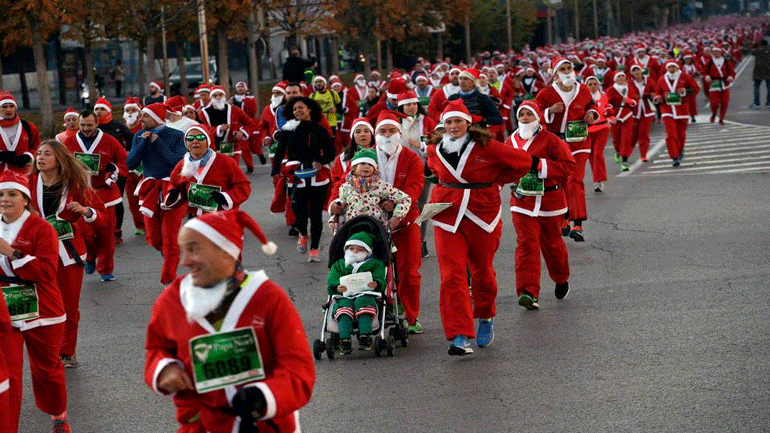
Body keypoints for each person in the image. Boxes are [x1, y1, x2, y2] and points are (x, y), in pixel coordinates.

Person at [144, 210, 314, 433]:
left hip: (265, 426)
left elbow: (298, 370)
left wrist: (261, 397)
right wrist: (164, 368)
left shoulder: (268, 298)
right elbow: (156, 348)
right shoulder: (173, 300)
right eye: (182, 250)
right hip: (201, 426)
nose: (184, 261)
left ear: (225, 250)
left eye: (193, 249)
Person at [425, 99, 534, 355]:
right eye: (449, 122)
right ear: (443, 124)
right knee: (452, 275)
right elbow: (434, 170)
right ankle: (460, 334)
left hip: (482, 214)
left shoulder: (488, 146)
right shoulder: (434, 148)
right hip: (446, 215)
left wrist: (495, 180)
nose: (453, 126)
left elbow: (522, 162)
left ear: (468, 122)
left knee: (482, 271)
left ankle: (485, 315)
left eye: (458, 121)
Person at [0, 170, 71, 433]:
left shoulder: (42, 229)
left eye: (12, 194)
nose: (5, 199)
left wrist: (11, 252)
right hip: (5, 309)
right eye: (1, 194)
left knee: (47, 371)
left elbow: (45, 272)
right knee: (9, 375)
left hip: (44, 307)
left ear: (26, 199)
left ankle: (58, 416)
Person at [30, 140, 105, 368]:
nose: (40, 158)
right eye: (38, 154)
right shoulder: (28, 182)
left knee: (68, 307)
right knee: (39, 304)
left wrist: (85, 211)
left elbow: (100, 216)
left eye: (47, 154)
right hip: (36, 253)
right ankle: (46, 348)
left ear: (59, 159)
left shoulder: (75, 184)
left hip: (68, 253)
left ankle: (67, 352)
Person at [506, 100, 576, 310]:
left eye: (529, 114)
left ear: (537, 117)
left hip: (549, 201)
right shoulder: (509, 142)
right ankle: (528, 292)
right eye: (521, 115)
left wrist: (539, 165)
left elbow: (568, 166)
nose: (525, 118)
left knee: (552, 245)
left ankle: (561, 277)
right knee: (526, 245)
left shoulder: (551, 141)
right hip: (522, 201)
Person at [536, 57, 598, 242]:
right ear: (555, 74)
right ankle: (564, 217)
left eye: (569, 68)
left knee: (575, 180)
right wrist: (549, 112)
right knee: (561, 181)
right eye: (562, 69)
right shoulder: (546, 94)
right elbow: (531, 114)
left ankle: (578, 223)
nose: (567, 71)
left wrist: (591, 114)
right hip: (556, 143)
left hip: (579, 141)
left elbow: (592, 105)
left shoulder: (583, 89)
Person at [62, 110, 127, 282]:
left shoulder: (109, 141)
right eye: (82, 125)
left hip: (106, 194)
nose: (85, 129)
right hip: (81, 195)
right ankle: (90, 256)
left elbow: (123, 161)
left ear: (97, 124)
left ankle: (105, 269)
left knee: (106, 235)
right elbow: (62, 165)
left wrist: (114, 169)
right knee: (85, 232)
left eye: (89, 125)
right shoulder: (69, 142)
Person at [127, 103, 188, 284]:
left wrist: (157, 142)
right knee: (153, 237)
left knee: (170, 236)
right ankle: (171, 253)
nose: (141, 119)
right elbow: (131, 163)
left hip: (172, 188)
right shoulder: (139, 135)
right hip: (150, 188)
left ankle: (169, 277)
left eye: (145, 116)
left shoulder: (177, 135)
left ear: (157, 118)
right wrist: (143, 142)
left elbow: (177, 162)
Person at [271, 97, 335, 262]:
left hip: (317, 177)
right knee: (299, 214)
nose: (298, 111)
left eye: (301, 108)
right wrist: (275, 170)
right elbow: (279, 152)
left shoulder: (319, 130)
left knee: (315, 215)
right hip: (296, 176)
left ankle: (314, 249)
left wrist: (321, 161)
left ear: (310, 109)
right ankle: (303, 233)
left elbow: (330, 152)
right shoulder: (288, 130)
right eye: (295, 109)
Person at [166, 125, 251, 217]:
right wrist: (175, 195)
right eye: (190, 138)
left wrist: (226, 197)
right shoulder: (182, 165)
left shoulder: (226, 162)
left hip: (222, 216)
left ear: (207, 141)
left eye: (200, 137)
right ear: (186, 143)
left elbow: (244, 186)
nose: (195, 141)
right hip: (194, 217)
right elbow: (174, 185)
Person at [326, 231, 386, 354]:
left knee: (364, 304)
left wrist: (376, 283)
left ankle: (365, 336)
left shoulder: (375, 264)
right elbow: (332, 280)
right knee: (343, 309)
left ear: (367, 251)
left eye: (359, 249)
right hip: (345, 295)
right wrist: (337, 286)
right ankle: (345, 340)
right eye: (351, 248)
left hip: (367, 294)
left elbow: (381, 279)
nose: (355, 252)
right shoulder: (339, 265)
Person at [396, 91, 437, 257]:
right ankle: (401, 240)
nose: (411, 107)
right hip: (399, 170)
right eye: (408, 105)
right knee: (401, 206)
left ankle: (420, 241)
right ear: (401, 107)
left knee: (420, 207)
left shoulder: (427, 121)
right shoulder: (396, 122)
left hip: (422, 170)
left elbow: (438, 142)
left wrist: (422, 145)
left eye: (413, 104)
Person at [335, 148, 411, 230]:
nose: (366, 166)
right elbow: (340, 209)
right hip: (352, 228)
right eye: (363, 163)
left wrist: (396, 217)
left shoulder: (381, 186)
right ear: (354, 168)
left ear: (375, 169)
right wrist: (333, 220)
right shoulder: (345, 188)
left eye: (370, 165)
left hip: (376, 230)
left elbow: (405, 199)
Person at [94, 97, 134, 244]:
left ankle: (117, 229)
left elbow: (132, 139)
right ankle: (102, 228)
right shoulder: (92, 128)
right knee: (98, 200)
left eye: (102, 109)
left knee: (116, 200)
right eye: (96, 109)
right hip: (98, 171)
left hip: (117, 170)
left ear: (109, 111)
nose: (99, 112)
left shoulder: (118, 126)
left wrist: (128, 152)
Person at [198, 86, 256, 171]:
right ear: (211, 97)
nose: (218, 98)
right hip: (211, 147)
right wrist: (218, 129)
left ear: (224, 96)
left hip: (229, 144)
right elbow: (202, 129)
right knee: (216, 175)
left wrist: (242, 132)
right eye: (215, 95)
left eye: (220, 95)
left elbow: (250, 123)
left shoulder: (234, 110)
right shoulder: (204, 113)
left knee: (230, 171)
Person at [654, 61, 699, 167]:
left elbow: (696, 89)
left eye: (673, 66)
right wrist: (657, 98)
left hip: (681, 109)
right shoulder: (662, 79)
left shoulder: (685, 77)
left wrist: (685, 91)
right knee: (671, 134)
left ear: (677, 67)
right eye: (669, 67)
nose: (671, 69)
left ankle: (680, 150)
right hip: (667, 109)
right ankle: (674, 157)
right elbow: (657, 91)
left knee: (681, 134)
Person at [121, 97, 146, 236]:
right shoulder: (121, 128)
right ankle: (140, 225)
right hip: (128, 170)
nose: (130, 112)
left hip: (144, 169)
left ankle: (149, 223)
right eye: (127, 110)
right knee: (132, 199)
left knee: (146, 197)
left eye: (133, 110)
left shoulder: (144, 127)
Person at [605, 71, 639, 171]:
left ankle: (625, 161)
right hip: (615, 116)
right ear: (615, 79)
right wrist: (610, 116)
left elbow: (635, 100)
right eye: (619, 76)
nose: (621, 78)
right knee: (616, 138)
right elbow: (606, 104)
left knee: (626, 138)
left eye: (623, 76)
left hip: (627, 116)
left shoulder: (629, 88)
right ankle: (617, 151)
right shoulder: (610, 90)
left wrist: (630, 101)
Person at [0, 91, 39, 175]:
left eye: (11, 106)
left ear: (15, 108)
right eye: (4, 107)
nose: (8, 110)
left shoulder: (28, 126)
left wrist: (28, 156)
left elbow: (37, 146)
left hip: (24, 173)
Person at [584, 76, 611, 193]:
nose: (593, 86)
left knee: (597, 154)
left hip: (602, 129)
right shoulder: (583, 98)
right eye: (590, 84)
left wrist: (611, 117)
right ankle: (597, 179)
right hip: (588, 131)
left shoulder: (603, 97)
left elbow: (609, 109)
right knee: (590, 156)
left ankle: (598, 180)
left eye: (595, 84)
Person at [629, 64, 656, 164]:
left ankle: (643, 154)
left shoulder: (649, 81)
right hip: (634, 111)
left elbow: (654, 91)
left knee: (644, 134)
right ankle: (627, 151)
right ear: (632, 73)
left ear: (641, 71)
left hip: (646, 110)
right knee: (633, 134)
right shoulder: (629, 83)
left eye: (638, 70)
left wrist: (653, 96)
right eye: (634, 71)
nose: (636, 73)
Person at [703, 44, 735, 125]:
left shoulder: (726, 61)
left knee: (725, 102)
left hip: (724, 83)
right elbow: (703, 71)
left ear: (721, 52)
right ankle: (713, 114)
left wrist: (731, 77)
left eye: (718, 52)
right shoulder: (709, 62)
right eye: (714, 52)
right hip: (714, 83)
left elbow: (732, 72)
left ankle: (721, 118)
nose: (716, 53)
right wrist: (706, 76)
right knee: (714, 103)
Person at [750, 38, 770, 108]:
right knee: (769, 88)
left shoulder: (757, 51)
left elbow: (751, 50)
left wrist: (755, 44)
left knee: (756, 87)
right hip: (769, 71)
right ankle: (769, 103)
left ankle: (757, 103)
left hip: (758, 71)